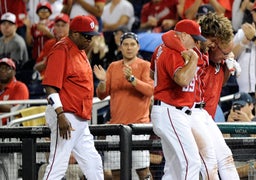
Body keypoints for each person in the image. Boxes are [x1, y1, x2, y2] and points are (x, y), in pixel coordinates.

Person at [160, 14, 240, 179]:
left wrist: (227, 62)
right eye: (224, 52)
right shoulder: (190, 50)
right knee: (201, 165)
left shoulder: (212, 57)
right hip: (184, 112)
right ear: (213, 43)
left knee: (224, 158)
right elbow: (169, 36)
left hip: (200, 114)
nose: (226, 56)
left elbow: (219, 78)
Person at [41, 15, 103, 180]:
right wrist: (60, 114)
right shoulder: (62, 49)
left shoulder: (80, 51)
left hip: (80, 118)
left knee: (93, 163)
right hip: (66, 115)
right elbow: (50, 85)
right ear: (74, 33)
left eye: (91, 36)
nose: (90, 39)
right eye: (87, 36)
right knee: (58, 165)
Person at [150, 19, 208, 179]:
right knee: (192, 161)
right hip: (170, 110)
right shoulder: (172, 50)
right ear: (183, 35)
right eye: (194, 39)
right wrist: (194, 60)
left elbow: (151, 74)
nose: (197, 43)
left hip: (168, 110)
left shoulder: (163, 48)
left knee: (173, 167)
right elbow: (182, 79)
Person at [94, 32, 154, 179]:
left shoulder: (146, 66)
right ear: (120, 47)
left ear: (138, 47)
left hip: (138, 126)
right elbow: (101, 94)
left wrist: (132, 79)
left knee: (143, 171)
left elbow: (150, 90)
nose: (129, 48)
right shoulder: (113, 67)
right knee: (116, 173)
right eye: (125, 44)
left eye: (132, 44)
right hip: (116, 126)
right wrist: (102, 81)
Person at [0, 57, 29, 125]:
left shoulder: (20, 87)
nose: (3, 71)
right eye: (1, 68)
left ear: (14, 71)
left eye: (7, 68)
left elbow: (16, 110)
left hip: (11, 127)